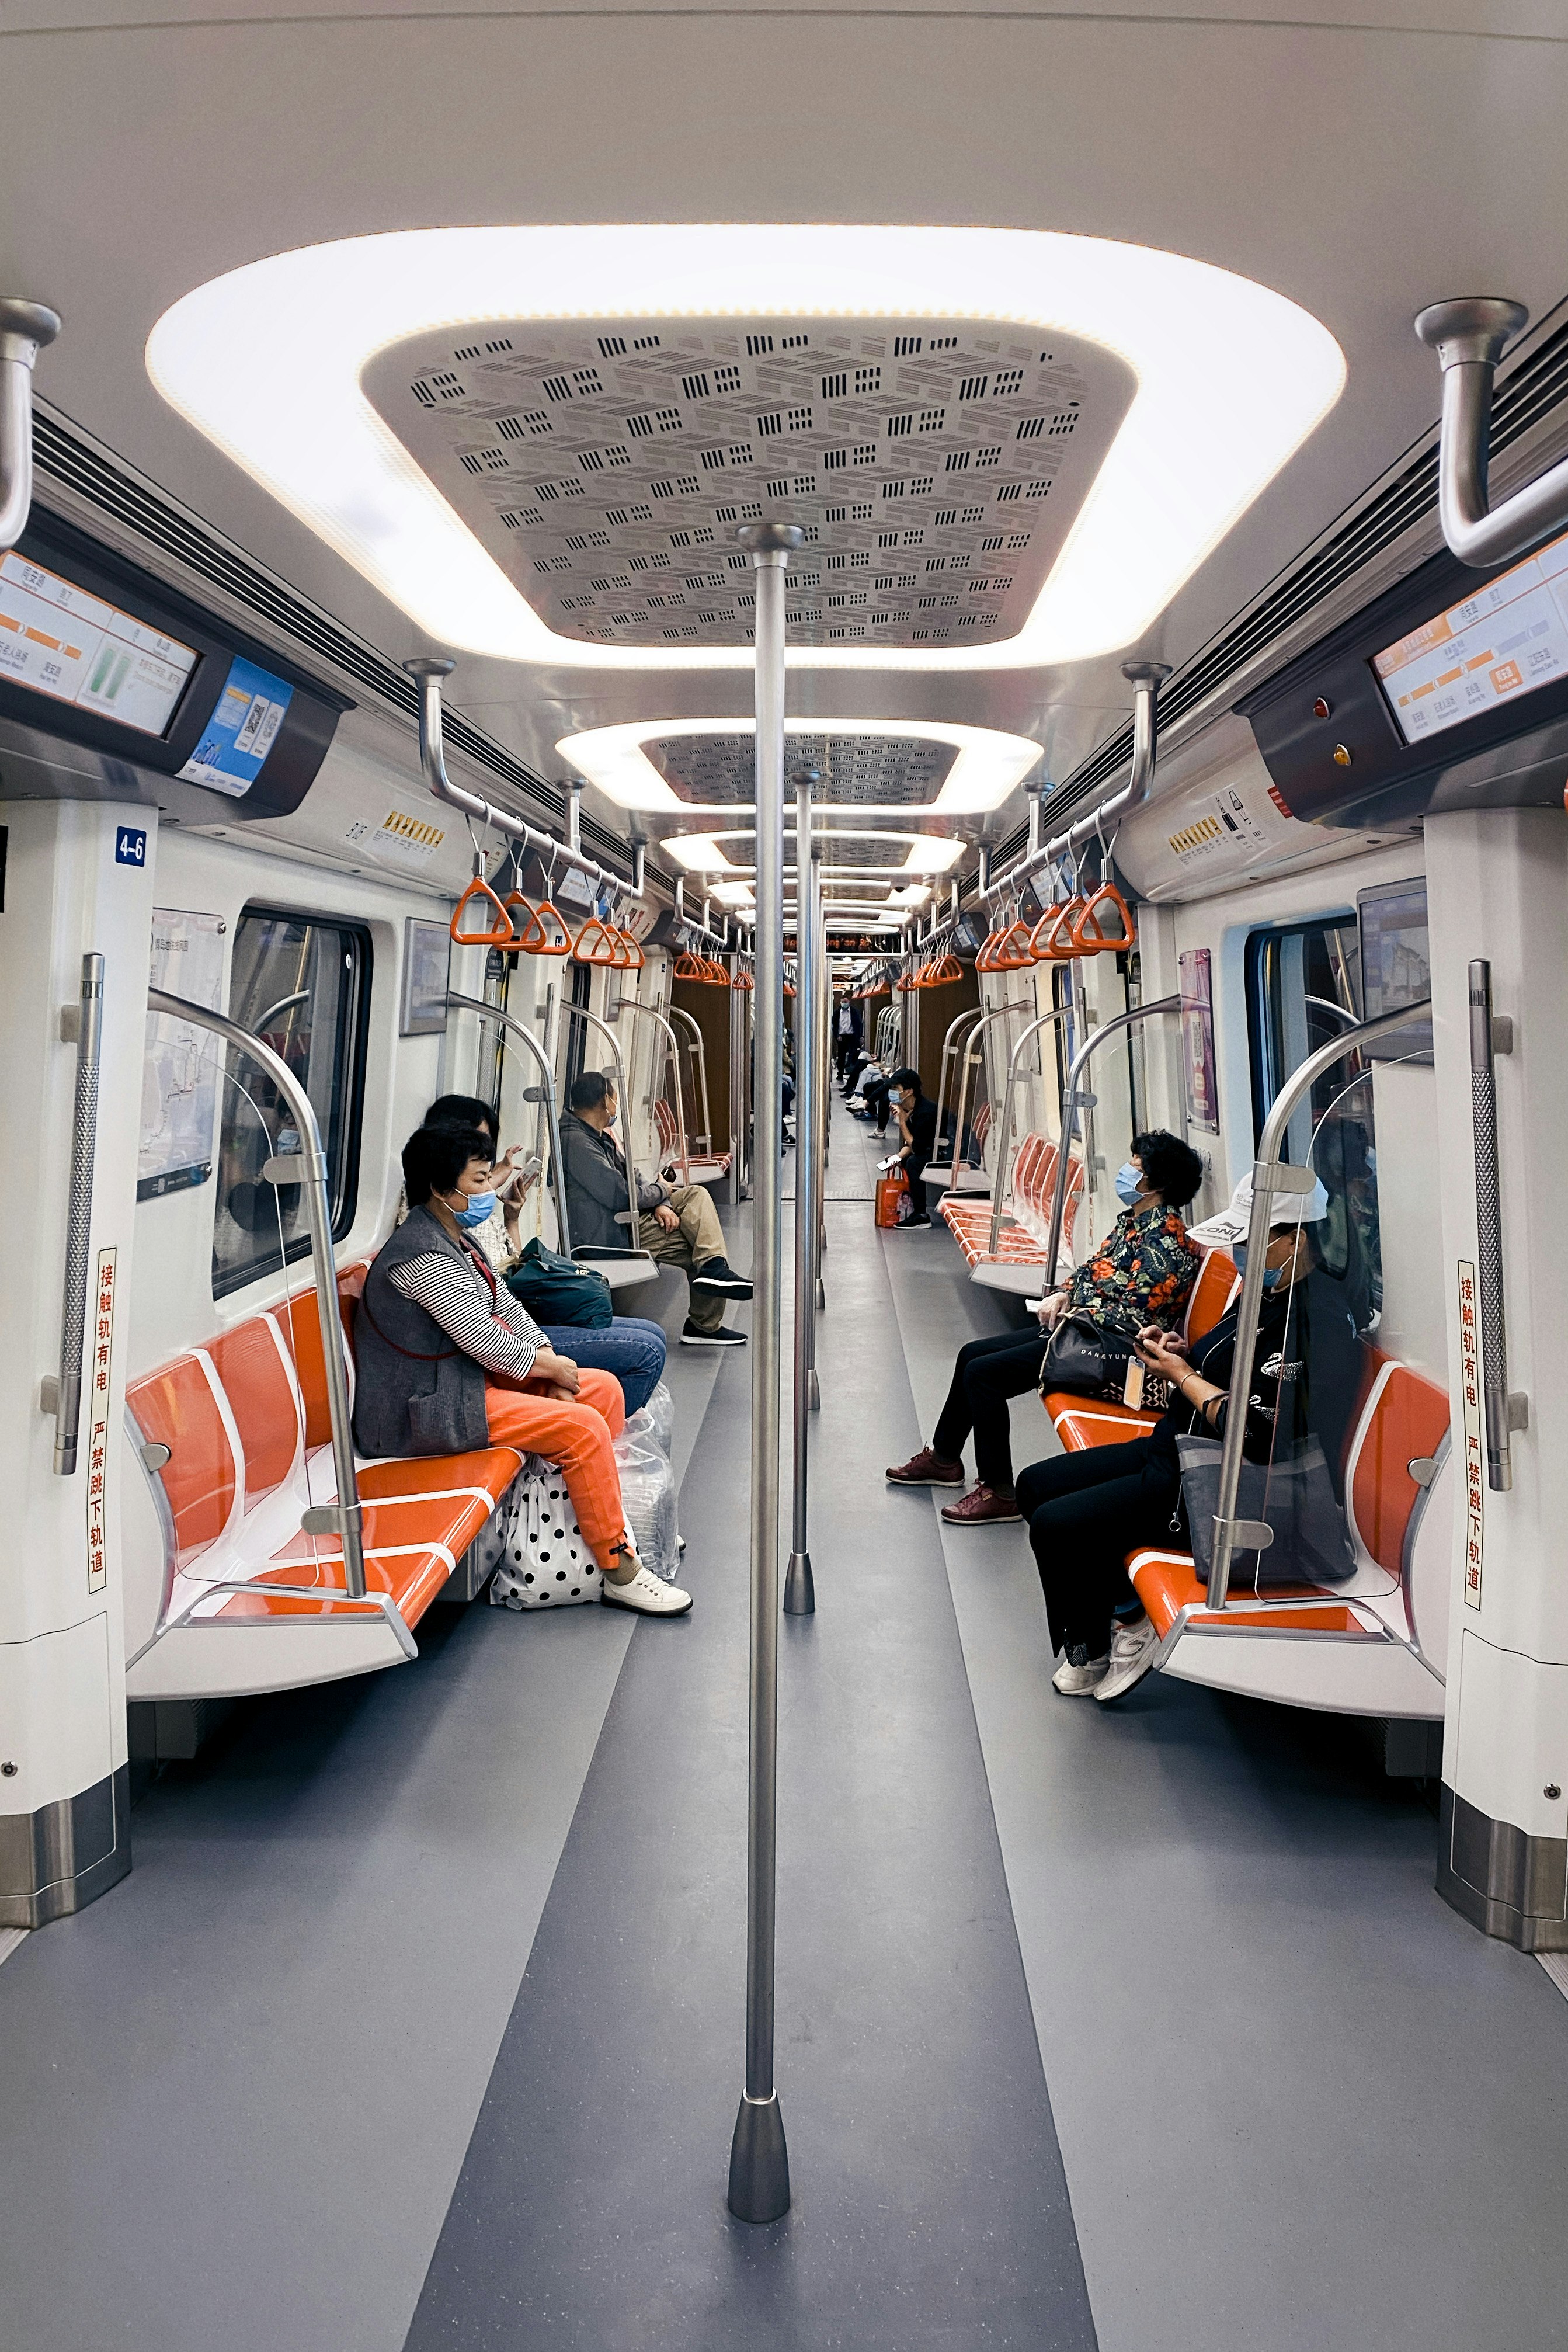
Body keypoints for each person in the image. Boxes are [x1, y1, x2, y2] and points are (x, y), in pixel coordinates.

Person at [1015, 1175, 1357, 1705]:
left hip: (1226, 1482)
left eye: (1250, 1241)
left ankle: (1115, 1632)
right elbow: (1229, 1367)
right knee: (1035, 1485)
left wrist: (1181, 1376)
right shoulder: (1268, 1293)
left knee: (1057, 1525)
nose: (1241, 1253)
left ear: (1295, 1241)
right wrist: (1183, 1352)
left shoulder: (1320, 1322)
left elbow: (1263, 1433)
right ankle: (1118, 1610)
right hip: (1178, 1446)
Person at [356, 1127, 690, 1617]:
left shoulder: (457, 1240)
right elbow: (481, 1338)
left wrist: (549, 1363)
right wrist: (549, 1367)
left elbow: (505, 1307)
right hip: (423, 1409)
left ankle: (597, 1524)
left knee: (604, 1389)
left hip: (462, 1384)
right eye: (478, 1179)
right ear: (440, 1189)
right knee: (580, 1428)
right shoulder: (421, 1256)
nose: (488, 1187)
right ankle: (621, 1570)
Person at [886, 1130, 1207, 1524]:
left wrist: (1075, 1306)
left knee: (983, 1375)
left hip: (1119, 1351)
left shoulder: (1167, 1241)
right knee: (971, 1353)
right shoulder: (1134, 1222)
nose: (1127, 1171)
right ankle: (944, 1458)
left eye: (1136, 1166)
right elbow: (1093, 1271)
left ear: (1157, 1182)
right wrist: (1064, 1293)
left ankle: (999, 1490)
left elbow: (1133, 1315)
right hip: (1085, 1329)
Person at [420, 1093, 668, 1413]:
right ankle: (604, 1432)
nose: (482, 1154)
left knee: (652, 1332)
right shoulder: (441, 1224)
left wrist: (511, 1218)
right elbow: (482, 1323)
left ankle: (600, 1426)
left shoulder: (471, 1214)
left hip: (519, 1318)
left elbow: (510, 1271)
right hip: (499, 1336)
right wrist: (552, 1367)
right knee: (646, 1350)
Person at [561, 1071, 752, 1349]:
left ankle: (714, 1270)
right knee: (698, 1245)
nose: (616, 1105)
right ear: (605, 1101)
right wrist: (662, 1192)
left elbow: (634, 1174)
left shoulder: (595, 1135)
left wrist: (661, 1203)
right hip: (612, 1232)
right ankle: (704, 1322)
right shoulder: (576, 1142)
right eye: (614, 1098)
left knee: (696, 1198)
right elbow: (620, 1194)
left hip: (625, 1220)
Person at [882, 1066, 939, 1227]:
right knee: (907, 1161)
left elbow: (918, 1148)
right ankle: (913, 1209)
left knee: (914, 1162)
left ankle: (921, 1215)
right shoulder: (913, 1109)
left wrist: (902, 1123)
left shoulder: (925, 1112)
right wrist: (897, 1157)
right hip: (932, 1149)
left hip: (949, 1153)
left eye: (896, 1088)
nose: (892, 1091)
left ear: (909, 1091)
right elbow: (913, 1142)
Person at [834, 995, 863, 1083]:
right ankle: (840, 1073)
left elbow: (859, 1025)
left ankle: (851, 1073)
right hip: (841, 1036)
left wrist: (860, 1036)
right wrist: (837, 1035)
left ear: (849, 1002)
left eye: (846, 1002)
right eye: (843, 1002)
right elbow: (834, 1026)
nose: (844, 1004)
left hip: (852, 1036)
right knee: (841, 1056)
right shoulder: (837, 1013)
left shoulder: (854, 1012)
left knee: (853, 1054)